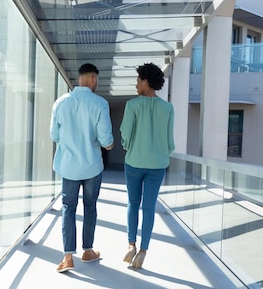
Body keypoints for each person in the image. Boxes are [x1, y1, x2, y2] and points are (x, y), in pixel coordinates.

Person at [50, 63, 114, 273]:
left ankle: (68, 257)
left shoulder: (61, 102)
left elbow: (55, 135)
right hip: (92, 167)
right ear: (93, 79)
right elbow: (106, 139)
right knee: (90, 206)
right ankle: (88, 251)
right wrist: (110, 144)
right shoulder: (100, 103)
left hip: (69, 166)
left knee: (68, 208)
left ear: (80, 78)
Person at [119, 63, 175, 269]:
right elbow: (170, 141)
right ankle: (143, 251)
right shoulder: (168, 108)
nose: (136, 85)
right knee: (149, 207)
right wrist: (161, 153)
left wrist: (129, 147)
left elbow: (126, 133)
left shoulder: (132, 105)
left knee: (133, 203)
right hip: (157, 164)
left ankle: (130, 245)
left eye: (137, 81)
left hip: (134, 161)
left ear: (145, 81)